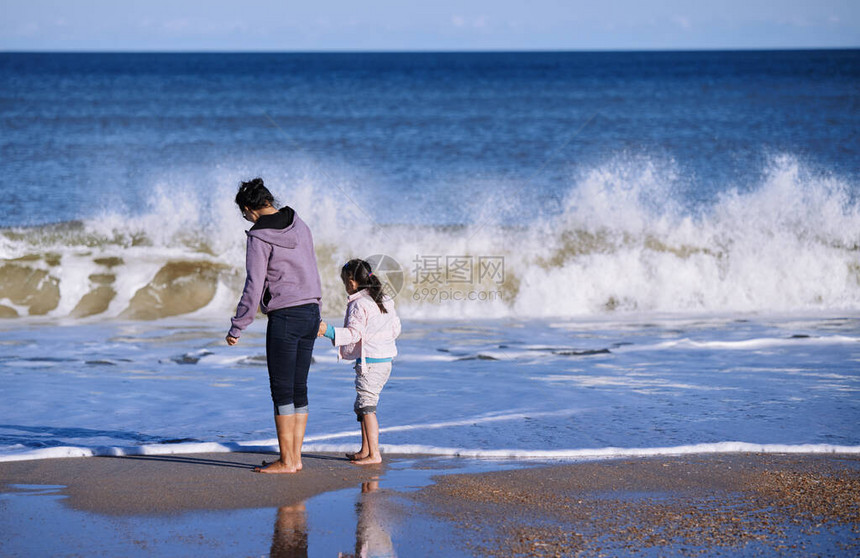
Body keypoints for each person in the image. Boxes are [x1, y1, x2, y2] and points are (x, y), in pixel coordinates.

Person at [226, 178, 322, 474]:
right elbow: (311, 266)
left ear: (248, 209)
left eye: (243, 214)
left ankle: (288, 460)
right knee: (299, 388)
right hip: (311, 310)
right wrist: (317, 309)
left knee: (281, 390)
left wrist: (238, 326)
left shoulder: (258, 236)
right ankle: (296, 458)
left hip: (285, 316)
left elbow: (254, 286)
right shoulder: (299, 222)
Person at [319, 259, 401, 465]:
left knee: (367, 407)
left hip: (370, 363)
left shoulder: (359, 304)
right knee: (363, 404)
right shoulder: (385, 299)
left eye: (344, 281)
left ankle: (374, 454)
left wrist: (327, 331)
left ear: (352, 282)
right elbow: (396, 329)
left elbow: (354, 334)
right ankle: (366, 450)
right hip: (385, 361)